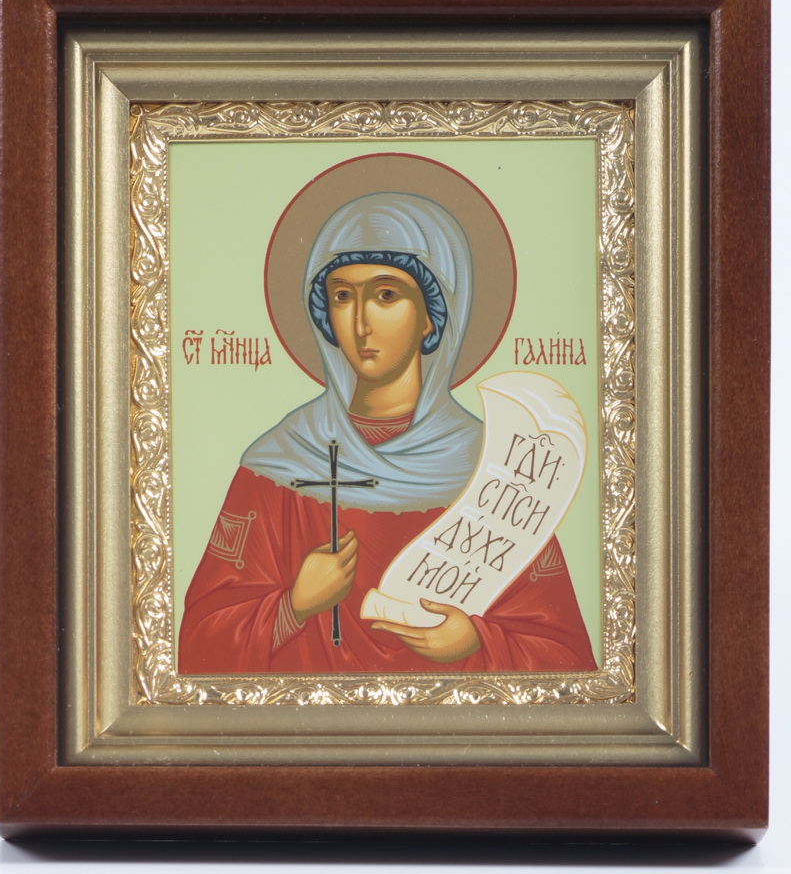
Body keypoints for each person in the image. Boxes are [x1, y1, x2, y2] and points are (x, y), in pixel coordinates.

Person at [178, 193, 596, 674]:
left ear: (432, 315)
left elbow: (567, 659)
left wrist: (475, 641)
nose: (360, 323)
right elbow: (197, 647)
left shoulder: (496, 468)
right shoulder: (278, 464)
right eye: (342, 296)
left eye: (386, 296)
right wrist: (293, 606)